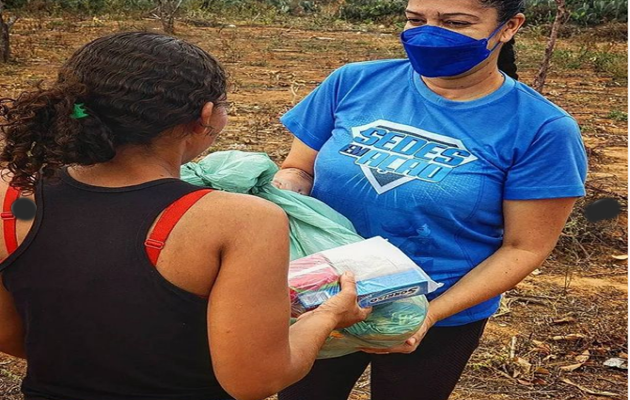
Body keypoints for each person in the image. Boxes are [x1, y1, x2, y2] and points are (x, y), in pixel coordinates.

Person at [0, 32, 370, 400]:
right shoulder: (239, 220)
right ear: (204, 116)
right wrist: (327, 316)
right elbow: (255, 380)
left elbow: (11, 335)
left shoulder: (13, 196)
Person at [272, 0, 588, 399]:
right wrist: (278, 192)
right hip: (322, 295)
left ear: (509, 27)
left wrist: (427, 316)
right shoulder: (353, 83)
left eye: (455, 22)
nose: (428, 33)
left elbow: (524, 247)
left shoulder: (542, 128)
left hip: (440, 313)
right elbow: (298, 168)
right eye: (415, 20)